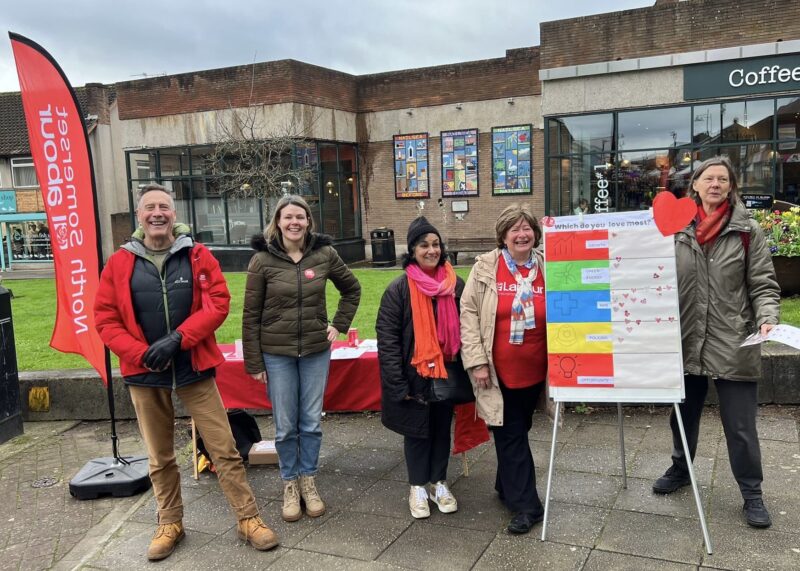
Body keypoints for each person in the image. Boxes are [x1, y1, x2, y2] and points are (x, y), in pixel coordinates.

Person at [94, 184, 278, 561]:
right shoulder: (118, 263)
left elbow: (219, 303)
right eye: (150, 208)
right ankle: (170, 523)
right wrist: (143, 353)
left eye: (164, 207)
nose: (157, 213)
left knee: (224, 448)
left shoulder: (196, 255)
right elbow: (105, 320)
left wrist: (178, 339)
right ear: (139, 217)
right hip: (144, 374)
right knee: (159, 457)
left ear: (173, 215)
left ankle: (248, 519)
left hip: (193, 367)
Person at [652, 156, 780, 528]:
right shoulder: (673, 228)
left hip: (733, 340)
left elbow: (763, 284)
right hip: (683, 338)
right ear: (695, 184)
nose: (715, 185)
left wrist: (768, 317)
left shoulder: (746, 231)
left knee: (740, 427)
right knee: (681, 418)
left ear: (731, 186)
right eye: (709, 178)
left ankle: (752, 494)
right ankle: (680, 469)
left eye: (723, 179)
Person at [242, 194, 360, 523]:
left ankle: (308, 481)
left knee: (310, 422)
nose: (294, 222)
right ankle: (289, 485)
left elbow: (352, 289)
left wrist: (338, 325)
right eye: (287, 217)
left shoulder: (324, 255)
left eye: (301, 217)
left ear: (309, 221)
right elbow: (250, 315)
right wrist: (254, 362)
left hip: (314, 353)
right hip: (276, 355)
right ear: (277, 222)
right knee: (284, 427)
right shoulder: (262, 260)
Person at [460, 203, 547, 535]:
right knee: (510, 434)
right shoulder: (485, 268)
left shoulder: (548, 267)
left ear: (535, 234)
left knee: (517, 430)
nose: (522, 234)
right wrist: (477, 361)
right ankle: (528, 505)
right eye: (515, 229)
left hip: (535, 372)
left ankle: (505, 484)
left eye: (527, 229)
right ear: (503, 235)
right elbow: (467, 314)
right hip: (496, 373)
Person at [376, 216, 464, 519]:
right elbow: (387, 340)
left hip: (447, 374)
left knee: (441, 430)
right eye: (424, 245)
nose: (432, 250)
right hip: (413, 377)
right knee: (416, 432)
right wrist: (397, 384)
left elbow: (470, 329)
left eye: (436, 244)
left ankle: (439, 482)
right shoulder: (398, 290)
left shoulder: (456, 285)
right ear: (412, 250)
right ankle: (416, 486)